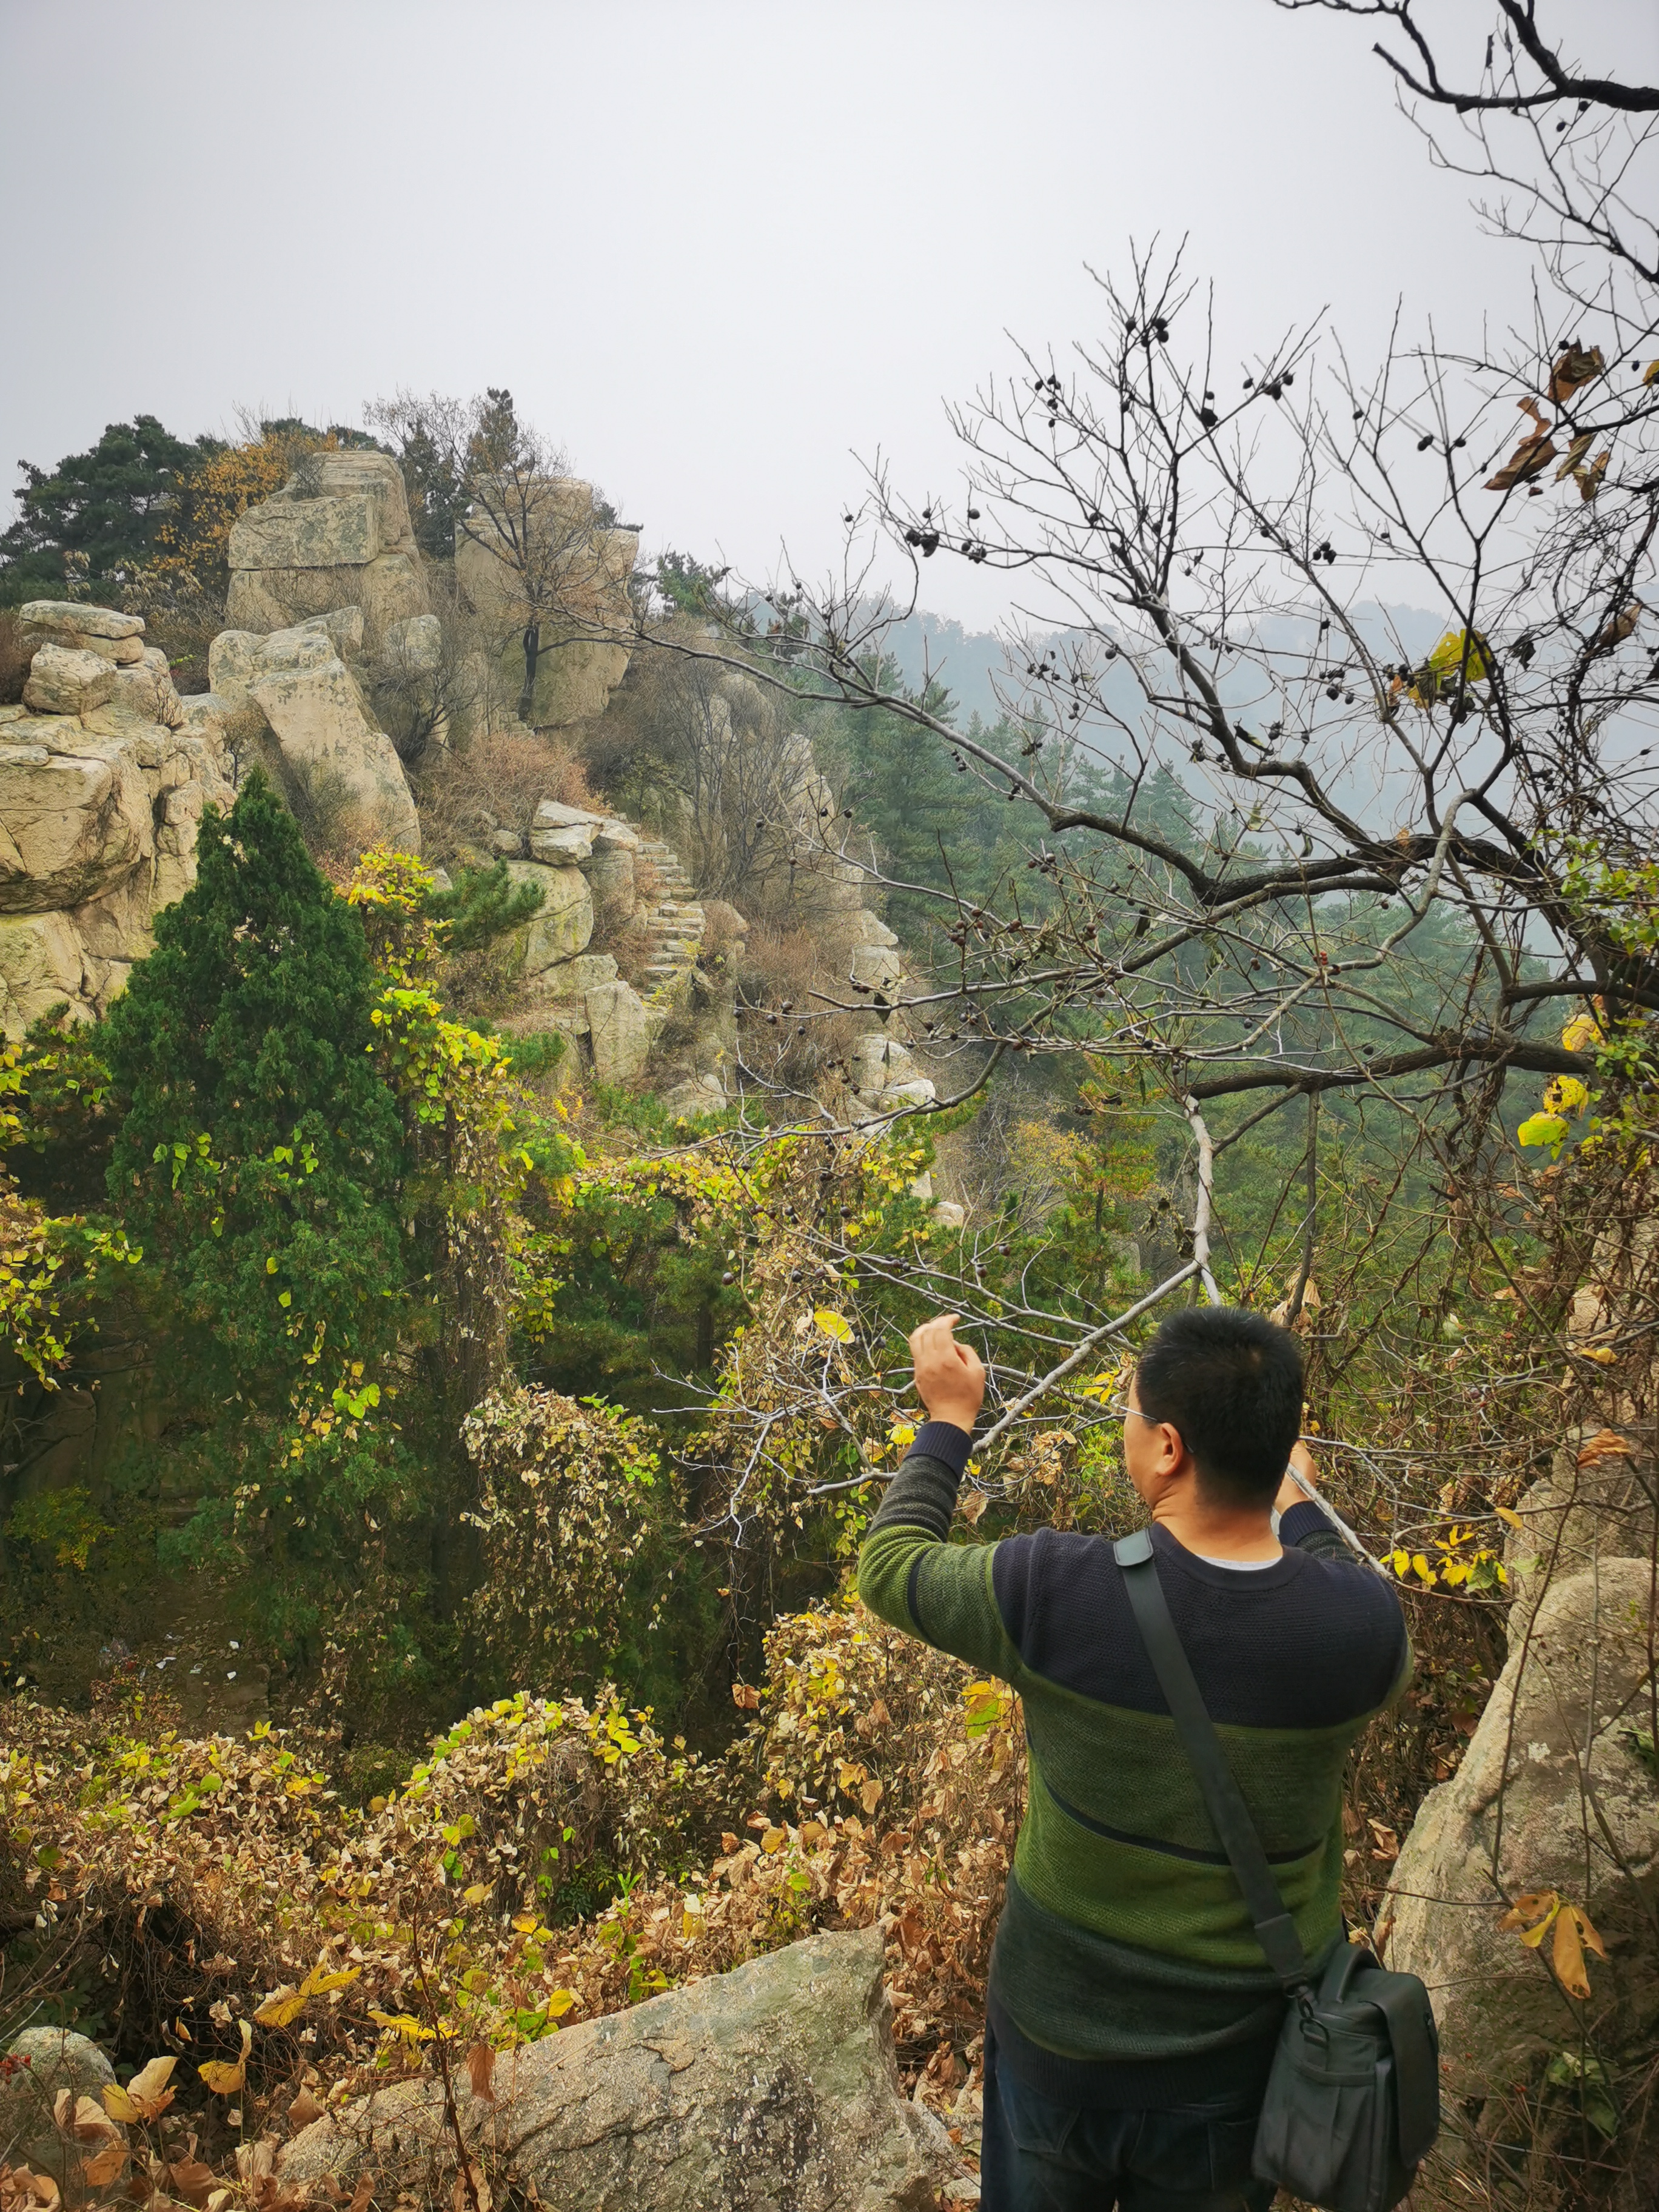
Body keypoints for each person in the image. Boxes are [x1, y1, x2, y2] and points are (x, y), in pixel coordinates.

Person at [857, 1304, 1409, 2212]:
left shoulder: (1055, 1592)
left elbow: (891, 1565)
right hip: (1236, 2072)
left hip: (1057, 2043)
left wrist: (949, 1419)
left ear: (1166, 1449)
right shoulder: (1360, 1632)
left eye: (1130, 1414)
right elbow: (1336, 1578)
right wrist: (1295, 1498)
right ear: (1280, 1448)